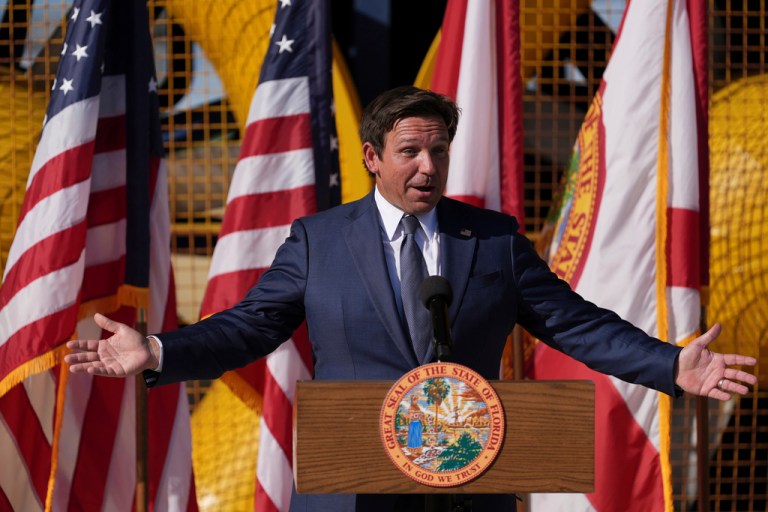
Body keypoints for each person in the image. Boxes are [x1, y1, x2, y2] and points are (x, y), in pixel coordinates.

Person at [65, 86, 758, 512]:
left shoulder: (492, 240)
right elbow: (249, 327)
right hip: (351, 485)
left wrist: (670, 365)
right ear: (372, 156)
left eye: (439, 150)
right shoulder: (318, 241)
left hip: (469, 482)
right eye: (410, 151)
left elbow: (575, 324)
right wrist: (156, 349)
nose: (428, 166)